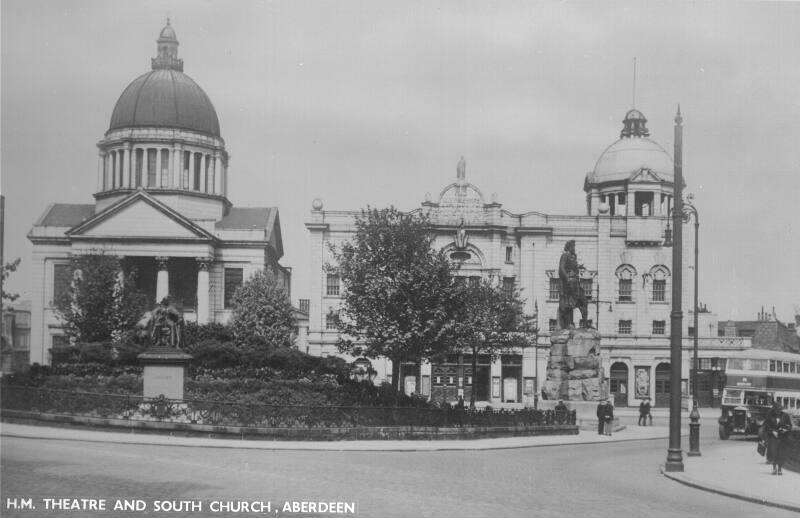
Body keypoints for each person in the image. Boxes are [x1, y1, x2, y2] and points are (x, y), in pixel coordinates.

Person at [558, 240, 588, 329]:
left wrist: (580, 267)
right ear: (569, 247)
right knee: (569, 303)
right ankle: (568, 323)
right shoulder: (565, 255)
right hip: (569, 282)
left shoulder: (573, 257)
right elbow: (561, 268)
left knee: (584, 301)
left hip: (576, 283)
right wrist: (567, 279)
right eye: (573, 247)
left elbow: (573, 268)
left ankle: (586, 322)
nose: (574, 248)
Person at [764, 402, 792, 475]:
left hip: (783, 438)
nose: (778, 411)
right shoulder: (770, 416)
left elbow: (789, 425)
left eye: (779, 410)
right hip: (773, 438)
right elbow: (766, 426)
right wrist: (772, 432)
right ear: (774, 410)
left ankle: (779, 469)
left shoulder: (786, 416)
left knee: (781, 454)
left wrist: (786, 430)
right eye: (776, 410)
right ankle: (774, 469)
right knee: (774, 453)